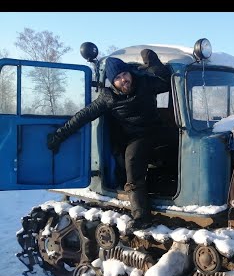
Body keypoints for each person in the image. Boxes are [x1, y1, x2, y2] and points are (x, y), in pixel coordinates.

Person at [47, 56, 171, 230]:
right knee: (132, 160)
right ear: (112, 82)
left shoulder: (145, 83)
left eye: (124, 74)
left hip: (156, 130)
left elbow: (165, 81)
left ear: (130, 73)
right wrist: (60, 134)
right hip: (136, 137)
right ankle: (142, 216)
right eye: (117, 78)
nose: (123, 80)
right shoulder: (108, 97)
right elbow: (83, 116)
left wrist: (152, 58)